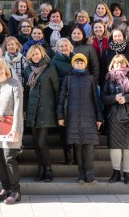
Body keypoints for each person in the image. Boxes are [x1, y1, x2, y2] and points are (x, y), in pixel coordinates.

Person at [57, 53, 104, 184]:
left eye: (82, 62)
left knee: (89, 147)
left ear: (85, 64)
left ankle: (90, 173)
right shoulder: (68, 78)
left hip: (89, 117)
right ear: (73, 64)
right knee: (78, 146)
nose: (79, 64)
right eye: (77, 62)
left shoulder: (90, 78)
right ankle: (81, 174)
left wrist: (99, 117)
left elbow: (96, 99)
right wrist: (60, 116)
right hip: (73, 117)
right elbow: (61, 98)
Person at [101, 54, 129, 185]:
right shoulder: (108, 78)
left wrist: (127, 98)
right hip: (114, 116)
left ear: (126, 64)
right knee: (115, 146)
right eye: (116, 64)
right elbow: (103, 97)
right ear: (112, 65)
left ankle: (127, 173)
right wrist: (114, 98)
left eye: (122, 63)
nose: (119, 66)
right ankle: (116, 172)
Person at [0, 57, 24, 205]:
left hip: (12, 126)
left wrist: (15, 130)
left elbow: (18, 109)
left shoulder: (14, 83)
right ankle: (6, 188)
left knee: (9, 159)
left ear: (5, 68)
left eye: (1, 68)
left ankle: (15, 191)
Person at [23, 44, 60, 183]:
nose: (36, 56)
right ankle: (41, 170)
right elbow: (26, 91)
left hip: (46, 109)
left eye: (37, 53)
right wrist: (24, 110)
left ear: (42, 54)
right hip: (32, 110)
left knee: (41, 142)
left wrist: (58, 110)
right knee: (35, 143)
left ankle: (48, 170)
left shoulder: (50, 68)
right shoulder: (27, 70)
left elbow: (56, 90)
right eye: (33, 54)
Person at [50, 37, 76, 165]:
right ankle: (68, 156)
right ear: (57, 49)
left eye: (66, 46)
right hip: (63, 96)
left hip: (76, 97)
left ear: (71, 47)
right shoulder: (54, 61)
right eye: (61, 46)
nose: (64, 48)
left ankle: (77, 155)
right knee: (65, 128)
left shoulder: (77, 59)